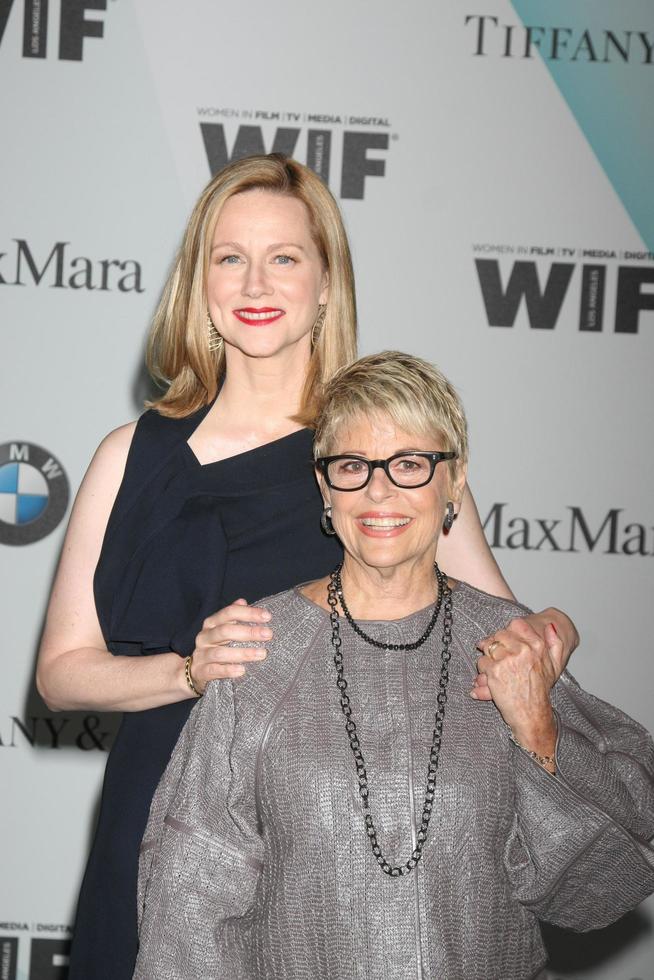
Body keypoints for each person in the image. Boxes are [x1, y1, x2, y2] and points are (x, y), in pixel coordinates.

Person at [36, 156, 577, 980]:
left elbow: (508, 635)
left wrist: (557, 630)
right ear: (200, 280)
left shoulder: (381, 447)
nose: (256, 281)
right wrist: (188, 671)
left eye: (284, 257)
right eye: (230, 257)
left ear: (326, 284)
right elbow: (63, 676)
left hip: (328, 837)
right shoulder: (129, 456)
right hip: (155, 818)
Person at [134, 351, 654, 980]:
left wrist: (541, 736)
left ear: (454, 481)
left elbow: (606, 884)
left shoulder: (509, 648)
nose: (379, 491)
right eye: (353, 466)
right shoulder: (259, 653)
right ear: (325, 487)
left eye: (409, 464)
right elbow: (189, 911)